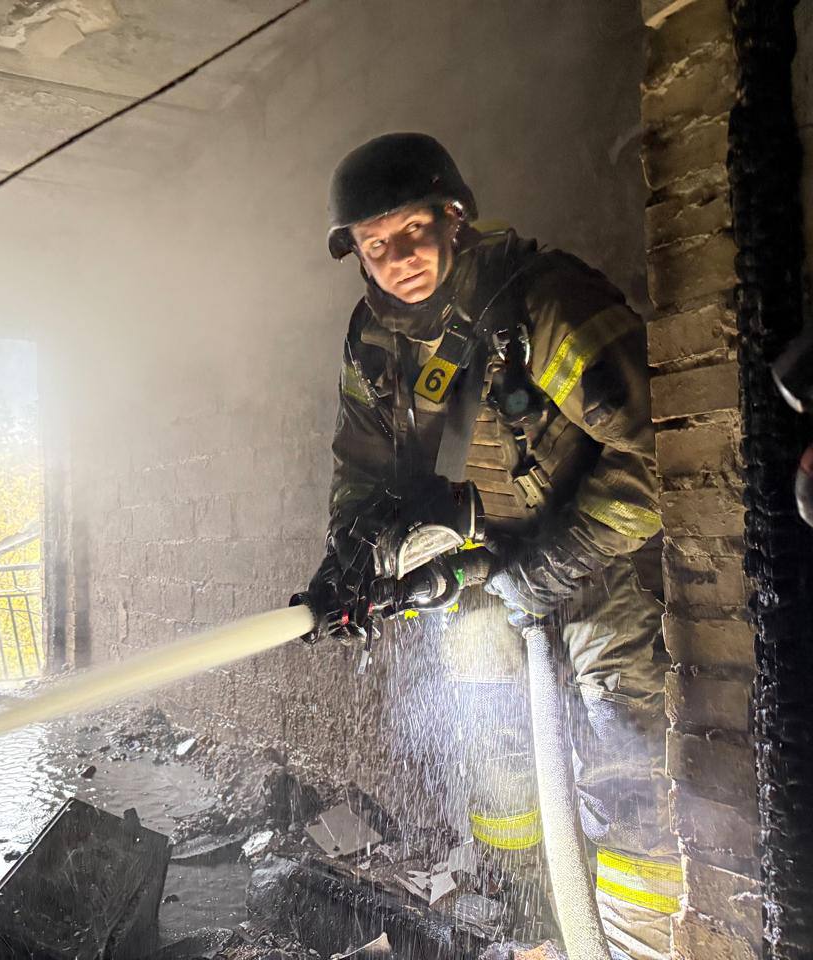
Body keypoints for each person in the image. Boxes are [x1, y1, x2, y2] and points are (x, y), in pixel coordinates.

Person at [302, 133, 678, 959]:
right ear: (355, 253)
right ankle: (530, 930)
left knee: (623, 757)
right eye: (375, 243)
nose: (398, 258)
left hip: (594, 563)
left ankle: (641, 943)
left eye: (412, 231)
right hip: (475, 575)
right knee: (496, 755)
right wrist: (347, 559)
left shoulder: (542, 305)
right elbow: (363, 467)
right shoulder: (374, 342)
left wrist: (552, 564)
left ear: (453, 216)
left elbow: (665, 453)